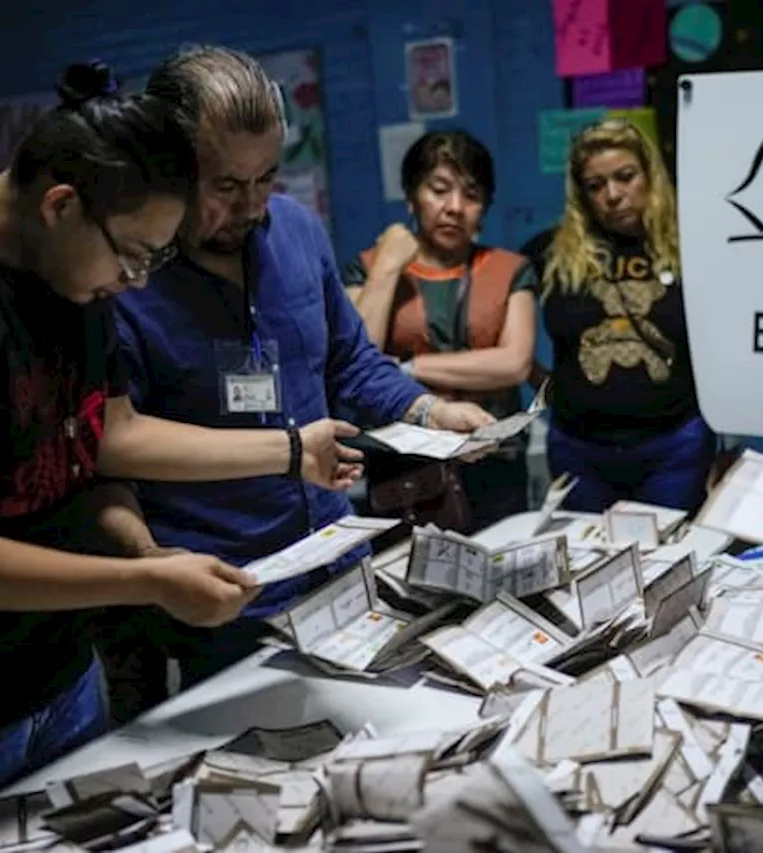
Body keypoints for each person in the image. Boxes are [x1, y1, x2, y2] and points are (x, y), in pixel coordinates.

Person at [0, 61, 362, 851]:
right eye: (134, 256)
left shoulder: (66, 273)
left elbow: (107, 435)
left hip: (60, 680)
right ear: (61, 203)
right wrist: (146, 576)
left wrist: (261, 470)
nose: (134, 281)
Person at [109, 45, 491, 715]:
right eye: (227, 186)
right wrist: (147, 562)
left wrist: (429, 410)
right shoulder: (126, 282)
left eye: (266, 179)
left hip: (340, 565)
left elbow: (349, 364)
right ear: (167, 167)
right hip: (226, 597)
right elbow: (111, 454)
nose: (253, 206)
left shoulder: (297, 230)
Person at [344, 130, 537, 533]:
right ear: (412, 196)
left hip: (493, 462)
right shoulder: (368, 268)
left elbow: (514, 363)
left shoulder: (510, 269)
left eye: (471, 194)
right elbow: (356, 357)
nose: (454, 207)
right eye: (439, 189)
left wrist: (408, 368)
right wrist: (389, 266)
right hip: (404, 473)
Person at [535, 117, 715, 514]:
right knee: (586, 565)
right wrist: (544, 384)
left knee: (670, 564)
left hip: (673, 446)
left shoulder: (693, 244)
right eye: (596, 186)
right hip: (579, 451)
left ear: (650, 176)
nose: (613, 194)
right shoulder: (552, 252)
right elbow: (498, 310)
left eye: (625, 177)